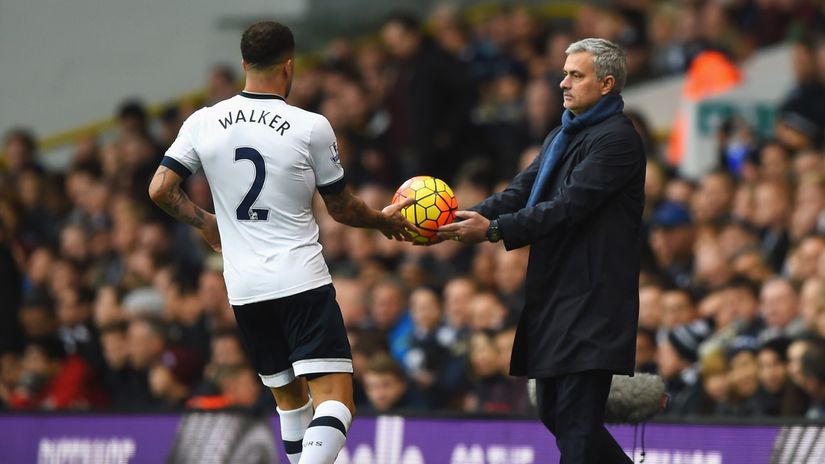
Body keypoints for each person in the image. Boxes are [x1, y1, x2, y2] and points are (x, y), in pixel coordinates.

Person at [148, 21, 416, 464]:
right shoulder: (310, 126)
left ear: (243, 65)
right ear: (289, 67)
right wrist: (382, 223)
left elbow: (160, 188)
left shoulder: (202, 121)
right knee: (336, 403)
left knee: (291, 406)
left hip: (244, 287)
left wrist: (204, 223)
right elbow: (342, 208)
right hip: (300, 279)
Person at [437, 38, 644, 463]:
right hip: (556, 296)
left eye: (575, 75)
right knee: (556, 414)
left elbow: (569, 207)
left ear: (606, 84)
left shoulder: (617, 141)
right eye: (565, 72)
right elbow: (519, 192)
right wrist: (451, 221)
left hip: (593, 301)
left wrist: (493, 231)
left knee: (576, 426)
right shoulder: (562, 133)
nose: (562, 82)